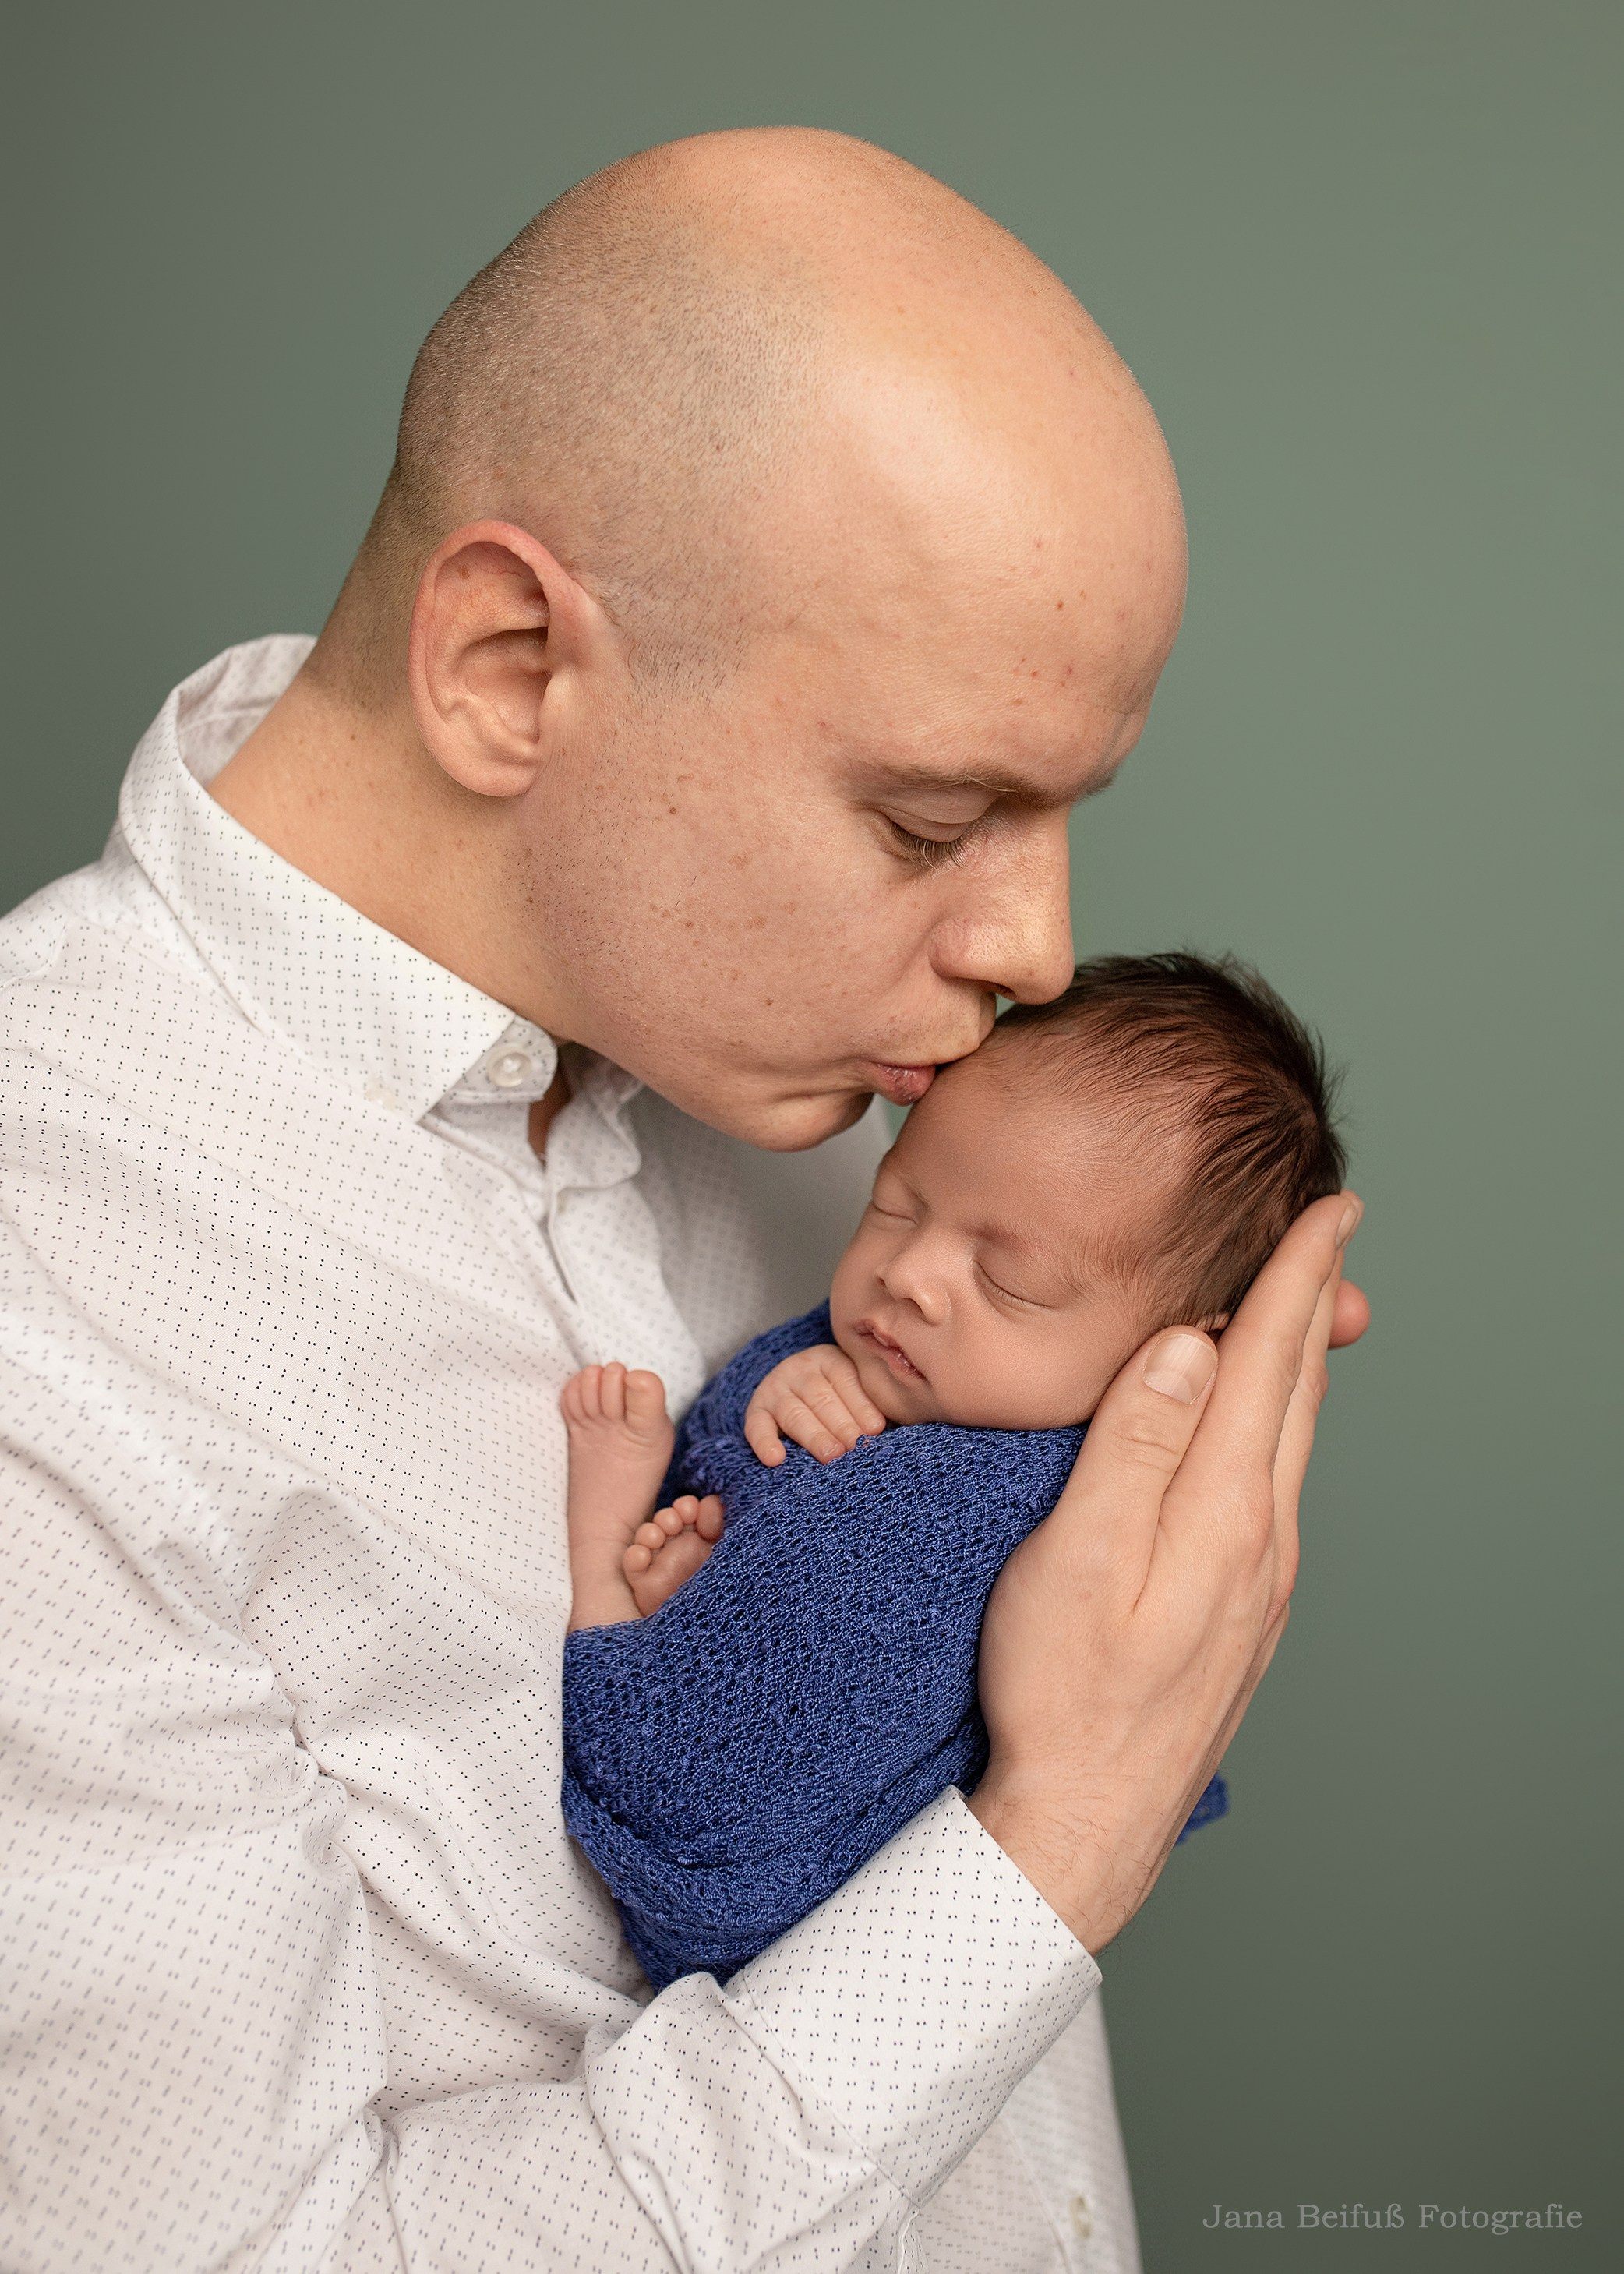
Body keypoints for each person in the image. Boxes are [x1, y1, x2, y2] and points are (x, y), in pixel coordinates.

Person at [0, 129, 1365, 2272]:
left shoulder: (865, 1106)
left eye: (1064, 814)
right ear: (512, 669)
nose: (1032, 945)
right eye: (933, 816)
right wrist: (1048, 1852)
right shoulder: (49, 1312)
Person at [560, 952, 1346, 1990]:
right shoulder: (904, 1363)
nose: (910, 1274)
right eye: (896, 1204)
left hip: (770, 1889)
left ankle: (603, 1585)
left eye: (1007, 1278)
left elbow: (863, 1636)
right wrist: (791, 1390)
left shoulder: (1058, 1499)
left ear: (1180, 1347)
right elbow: (758, 1473)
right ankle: (676, 1602)